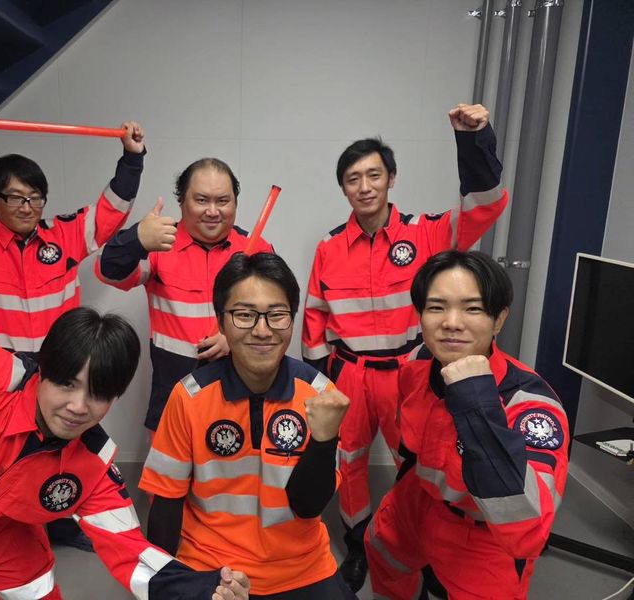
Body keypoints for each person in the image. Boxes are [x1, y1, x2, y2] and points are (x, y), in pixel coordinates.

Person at [0, 168, 250, 600]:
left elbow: (131, 551)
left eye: (99, 393)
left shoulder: (92, 462)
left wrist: (205, 588)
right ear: (41, 370)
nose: (78, 406)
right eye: (66, 384)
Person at [0, 101, 164, 554]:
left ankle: (58, 523)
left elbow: (110, 211)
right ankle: (2, 540)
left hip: (59, 375)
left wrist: (132, 158)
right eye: (16, 198)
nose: (28, 207)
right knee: (3, 465)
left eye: (36, 198)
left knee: (60, 457)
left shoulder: (64, 235)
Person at [301, 103, 509, 591]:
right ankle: (358, 543)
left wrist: (473, 140)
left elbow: (484, 205)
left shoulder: (428, 232)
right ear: (343, 188)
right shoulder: (329, 247)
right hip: (350, 375)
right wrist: (321, 381)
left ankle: (419, 546)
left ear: (391, 178)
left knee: (417, 462)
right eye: (353, 179)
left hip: (410, 372)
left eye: (374, 175)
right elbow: (315, 316)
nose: (364, 186)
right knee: (349, 463)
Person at [140, 252, 356, 599]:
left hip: (302, 567)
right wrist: (161, 583)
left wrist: (323, 440)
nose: (262, 330)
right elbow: (166, 502)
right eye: (244, 315)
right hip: (210, 565)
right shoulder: (189, 396)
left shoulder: (320, 395)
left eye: (277, 315)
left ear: (292, 319)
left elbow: (308, 505)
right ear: (221, 322)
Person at [365, 250, 569, 599]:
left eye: (472, 309)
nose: (452, 322)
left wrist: (476, 400)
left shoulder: (530, 405)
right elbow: (409, 443)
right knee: (383, 553)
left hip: (483, 533)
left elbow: (527, 530)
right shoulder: (418, 364)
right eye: (436, 307)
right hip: (416, 500)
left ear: (499, 319)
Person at [97, 158, 272, 432]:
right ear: (181, 201)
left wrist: (237, 338)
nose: (212, 211)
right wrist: (136, 239)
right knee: (166, 461)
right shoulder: (158, 244)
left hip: (241, 395)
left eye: (223, 201)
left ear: (235, 203)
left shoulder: (257, 248)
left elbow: (276, 316)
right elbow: (108, 271)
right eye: (201, 200)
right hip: (172, 397)